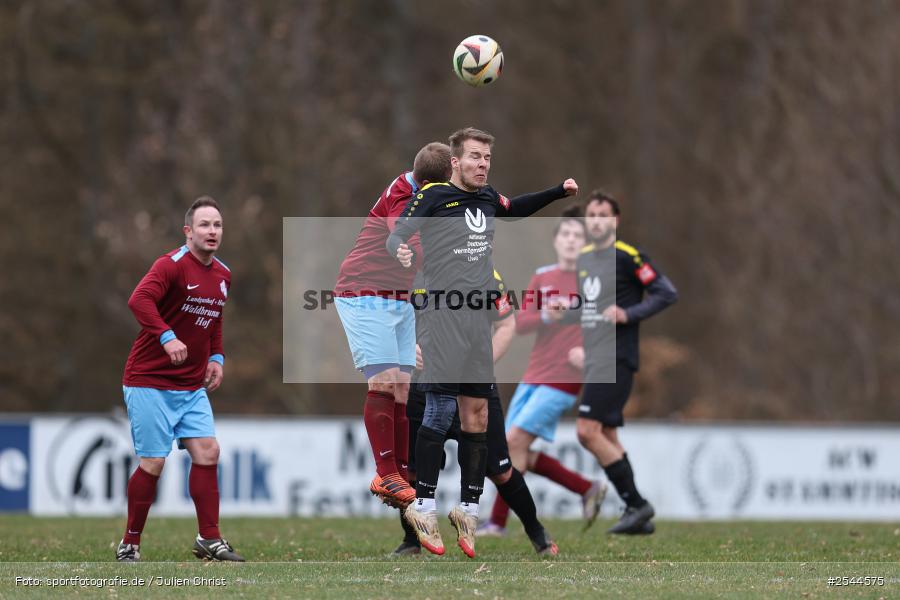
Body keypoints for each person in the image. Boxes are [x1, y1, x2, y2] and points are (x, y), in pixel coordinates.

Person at [387, 127, 577, 558]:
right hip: (442, 316)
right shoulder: (434, 196)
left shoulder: (489, 198)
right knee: (434, 407)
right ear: (455, 162)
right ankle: (422, 509)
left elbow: (516, 208)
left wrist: (557, 192)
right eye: (475, 157)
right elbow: (398, 232)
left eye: (487, 157)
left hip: (475, 324)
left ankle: (469, 511)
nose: (483, 164)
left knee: (476, 414)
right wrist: (398, 248)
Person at [393, 270, 558, 557]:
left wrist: (478, 365)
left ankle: (537, 533)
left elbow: (507, 326)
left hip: (475, 389)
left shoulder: (486, 273)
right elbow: (392, 325)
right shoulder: (412, 272)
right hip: (425, 385)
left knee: (501, 469)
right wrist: (406, 348)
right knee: (413, 470)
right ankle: (411, 541)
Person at [117, 196, 243, 562]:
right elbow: (139, 300)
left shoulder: (223, 274)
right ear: (188, 231)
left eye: (217, 225)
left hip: (190, 386)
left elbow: (214, 318)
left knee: (208, 451)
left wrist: (216, 356)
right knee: (153, 463)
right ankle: (130, 544)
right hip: (149, 381)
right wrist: (166, 335)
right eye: (204, 225)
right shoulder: (170, 266)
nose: (212, 231)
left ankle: (209, 539)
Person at [551, 189, 677, 534]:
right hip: (596, 357)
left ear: (615, 221)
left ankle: (637, 504)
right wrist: (566, 310)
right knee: (605, 433)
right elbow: (589, 307)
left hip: (618, 355)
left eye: (603, 215)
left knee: (586, 431)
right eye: (591, 215)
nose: (596, 221)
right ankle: (637, 513)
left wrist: (629, 313)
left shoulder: (628, 256)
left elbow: (667, 292)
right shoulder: (586, 258)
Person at [334, 142, 452, 509]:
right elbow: (402, 236)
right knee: (383, 381)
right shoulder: (404, 194)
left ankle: (399, 473)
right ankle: (386, 472)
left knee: (402, 388)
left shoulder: (435, 196)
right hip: (363, 291)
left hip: (397, 298)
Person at [480, 206, 606, 537]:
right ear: (556, 239)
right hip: (534, 373)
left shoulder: (592, 280)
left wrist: (591, 354)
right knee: (514, 450)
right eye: (565, 233)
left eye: (577, 235)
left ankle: (497, 522)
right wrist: (547, 317)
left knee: (511, 441)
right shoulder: (544, 276)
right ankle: (586, 488)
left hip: (564, 379)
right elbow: (518, 323)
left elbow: (608, 325)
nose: (570, 240)